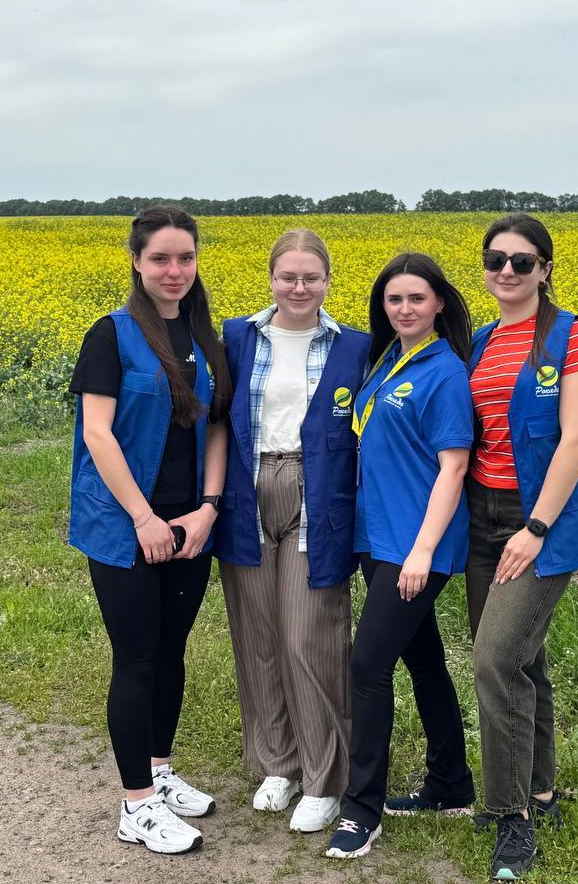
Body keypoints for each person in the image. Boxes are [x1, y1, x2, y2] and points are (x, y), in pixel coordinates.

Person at [67, 207, 233, 855]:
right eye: (160, 258)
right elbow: (98, 434)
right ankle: (135, 805)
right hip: (124, 525)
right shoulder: (110, 335)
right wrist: (143, 518)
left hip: (188, 524)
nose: (174, 270)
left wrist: (208, 509)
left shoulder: (202, 336)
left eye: (185, 258)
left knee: (171, 652)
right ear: (136, 261)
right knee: (136, 657)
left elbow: (216, 425)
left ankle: (159, 774)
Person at [465, 213, 578, 880]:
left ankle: (512, 819)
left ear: (545, 269)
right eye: (496, 260)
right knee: (524, 661)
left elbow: (577, 440)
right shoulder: (480, 340)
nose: (507, 271)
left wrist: (535, 530)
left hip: (536, 521)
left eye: (522, 261)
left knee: (494, 660)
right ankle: (540, 792)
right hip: (481, 515)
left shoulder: (568, 336)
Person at [213, 228, 369, 833]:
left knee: (310, 637)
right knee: (258, 635)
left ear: (327, 280)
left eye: (311, 277)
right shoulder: (237, 337)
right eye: (288, 276)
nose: (299, 288)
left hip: (316, 492)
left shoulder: (354, 346)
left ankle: (324, 778)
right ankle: (278, 763)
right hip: (246, 490)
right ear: (271, 278)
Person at [325, 252, 476, 860]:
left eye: (416, 298)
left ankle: (361, 811)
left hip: (415, 546)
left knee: (367, 667)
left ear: (439, 303)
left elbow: (454, 467)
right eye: (394, 299)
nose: (405, 308)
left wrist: (422, 551)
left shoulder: (445, 373)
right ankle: (451, 784)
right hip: (378, 537)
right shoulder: (388, 359)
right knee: (424, 660)